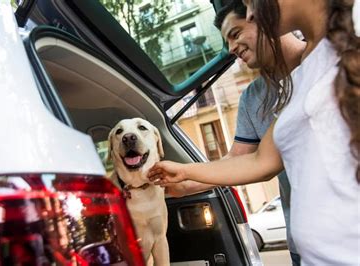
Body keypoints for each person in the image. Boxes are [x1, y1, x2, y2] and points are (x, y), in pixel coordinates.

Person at [149, 0, 360, 264]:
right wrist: (184, 176)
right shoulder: (298, 79)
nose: (251, 11)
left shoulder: (346, 44)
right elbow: (259, 160)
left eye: (251, 4)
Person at [165, 1, 304, 264]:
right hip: (302, 244)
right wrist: (183, 185)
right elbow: (247, 161)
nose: (230, 48)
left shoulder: (328, 62)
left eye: (235, 33)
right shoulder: (252, 98)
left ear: (261, 17)